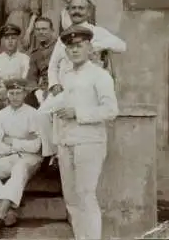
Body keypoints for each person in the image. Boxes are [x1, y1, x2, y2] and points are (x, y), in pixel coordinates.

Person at [44, 25, 118, 240]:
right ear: (65, 51)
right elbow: (61, 111)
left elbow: (111, 110)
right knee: (72, 200)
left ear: (89, 48)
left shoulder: (100, 76)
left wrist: (77, 113)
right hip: (66, 143)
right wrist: (57, 141)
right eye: (70, 47)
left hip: (89, 142)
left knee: (86, 195)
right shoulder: (65, 77)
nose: (74, 50)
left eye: (79, 46)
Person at [0, 78, 42, 229]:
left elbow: (36, 146)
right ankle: (9, 209)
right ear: (7, 94)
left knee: (20, 168)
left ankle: (0, 212)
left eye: (18, 93)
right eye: (12, 93)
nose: (15, 97)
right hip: (8, 156)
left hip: (30, 158)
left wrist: (11, 141)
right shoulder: (1, 115)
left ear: (25, 94)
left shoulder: (33, 114)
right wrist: (20, 144)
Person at [47, 0, 126, 95]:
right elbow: (53, 65)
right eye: (73, 8)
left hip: (90, 88)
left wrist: (96, 46)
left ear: (88, 13)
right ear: (69, 12)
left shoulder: (97, 31)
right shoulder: (63, 37)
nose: (77, 11)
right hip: (66, 87)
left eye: (81, 8)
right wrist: (54, 84)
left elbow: (121, 46)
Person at [0, 24, 30, 109]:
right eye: (7, 38)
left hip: (19, 92)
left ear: (18, 40)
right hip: (1, 94)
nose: (10, 41)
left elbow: (25, 79)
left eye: (13, 38)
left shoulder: (24, 58)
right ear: (2, 41)